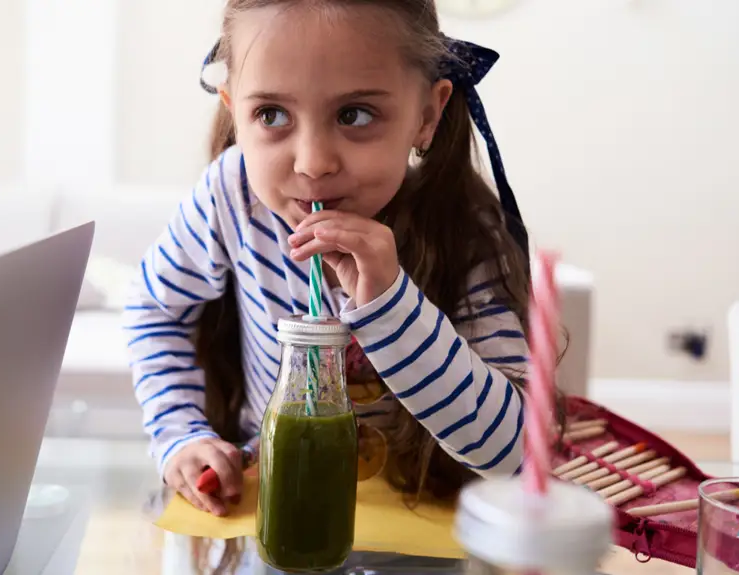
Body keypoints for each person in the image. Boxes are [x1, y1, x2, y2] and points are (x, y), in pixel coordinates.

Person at [126, 0, 537, 571]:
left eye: (355, 115)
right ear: (234, 111)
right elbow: (154, 310)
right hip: (268, 527)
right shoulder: (232, 196)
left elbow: (516, 452)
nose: (313, 164)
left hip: (423, 540)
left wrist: (390, 304)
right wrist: (180, 434)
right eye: (271, 115)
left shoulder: (465, 227)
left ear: (427, 113)